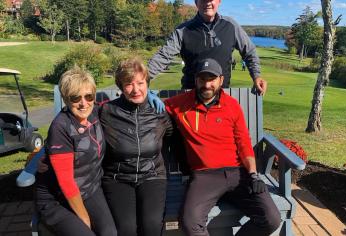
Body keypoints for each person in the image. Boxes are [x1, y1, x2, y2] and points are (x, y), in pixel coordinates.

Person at [164, 58, 281, 236]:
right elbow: (152, 104)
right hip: (205, 176)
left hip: (238, 173)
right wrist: (149, 98)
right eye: (202, 79)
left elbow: (243, 143)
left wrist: (253, 175)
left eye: (211, 79)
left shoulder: (232, 105)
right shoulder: (181, 103)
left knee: (271, 218)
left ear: (221, 80)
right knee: (190, 223)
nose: (207, 84)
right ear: (195, 79)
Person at [35, 67, 117, 236]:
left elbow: (123, 106)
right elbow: (66, 182)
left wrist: (151, 97)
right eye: (75, 97)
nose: (83, 103)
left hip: (90, 188)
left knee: (109, 232)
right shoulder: (61, 127)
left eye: (88, 96)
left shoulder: (95, 113)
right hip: (56, 198)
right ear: (66, 99)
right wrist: (84, 218)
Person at [99, 57, 173, 236]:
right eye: (129, 84)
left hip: (152, 175)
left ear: (147, 83)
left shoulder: (158, 111)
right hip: (118, 177)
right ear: (120, 87)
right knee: (126, 229)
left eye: (140, 83)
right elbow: (76, 121)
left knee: (152, 226)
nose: (136, 89)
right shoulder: (106, 112)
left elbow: (173, 134)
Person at [148, 0, 267, 95]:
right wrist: (143, 78)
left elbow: (249, 52)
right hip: (190, 97)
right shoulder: (183, 31)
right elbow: (163, 55)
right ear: (196, 2)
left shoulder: (231, 26)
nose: (208, 3)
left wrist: (256, 76)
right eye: (203, 0)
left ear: (219, 1)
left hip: (222, 96)